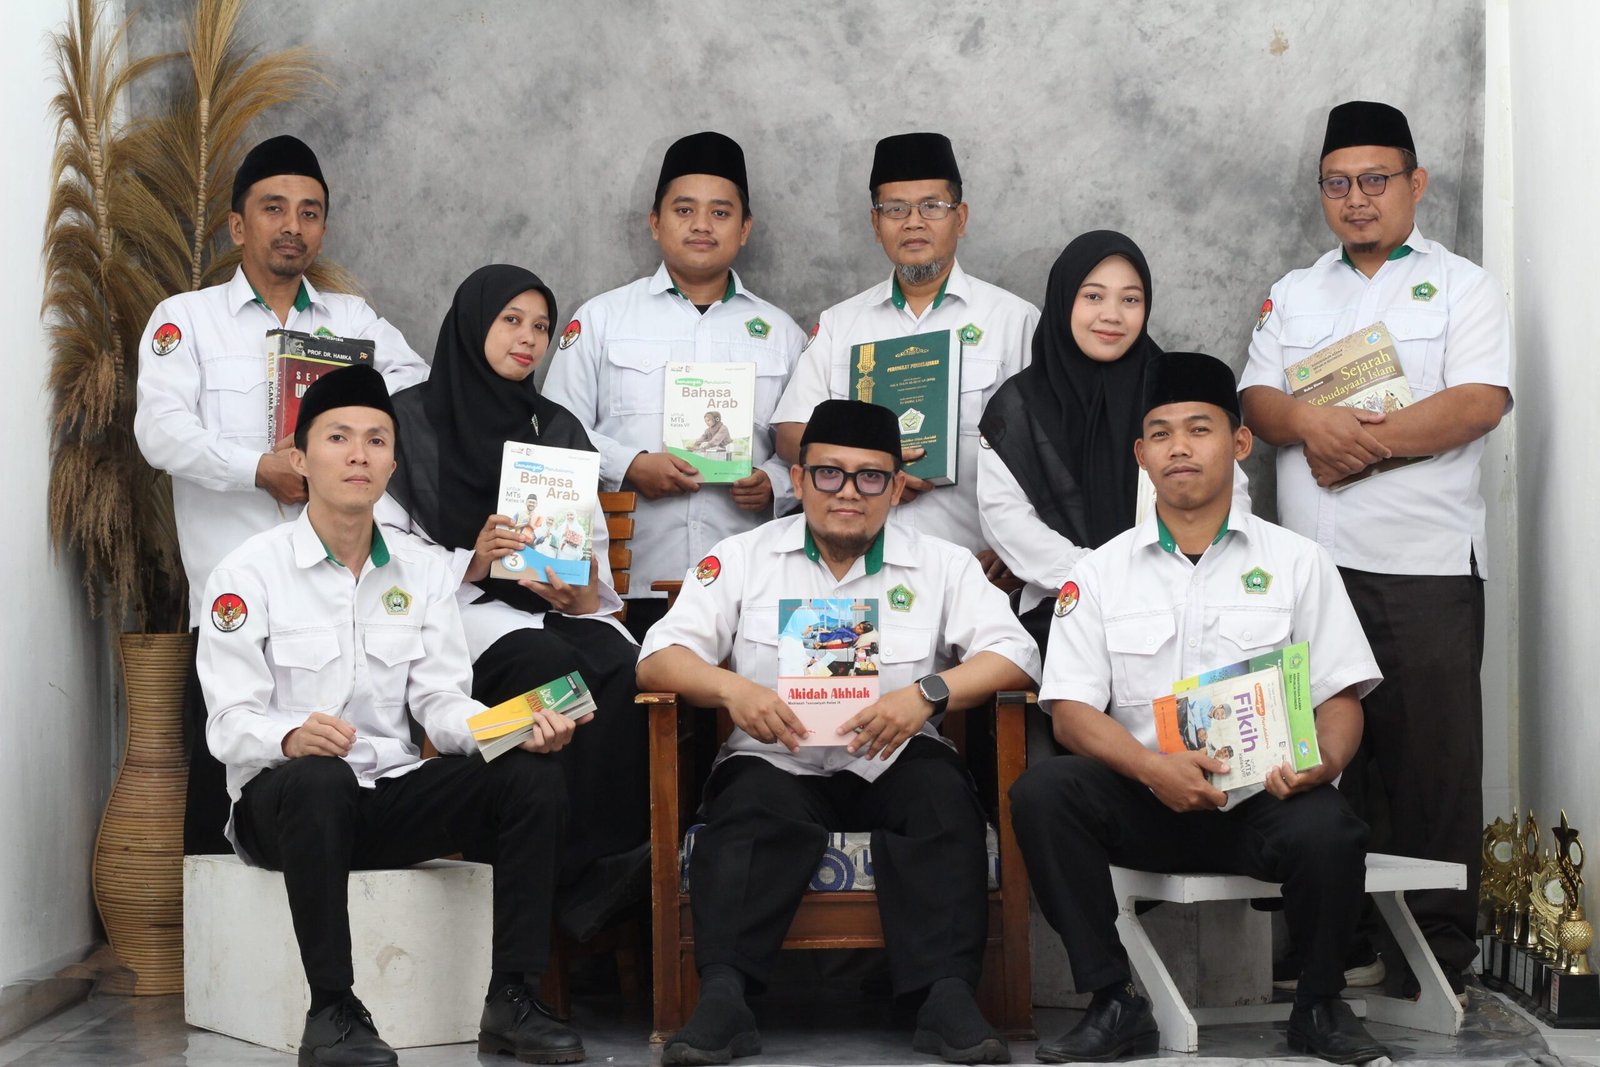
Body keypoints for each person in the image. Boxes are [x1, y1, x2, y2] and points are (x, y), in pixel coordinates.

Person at [199, 366, 585, 1067]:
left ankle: (513, 998)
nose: (359, 454)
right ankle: (332, 1011)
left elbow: (441, 704)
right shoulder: (246, 573)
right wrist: (290, 735)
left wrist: (510, 730)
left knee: (529, 776)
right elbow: (227, 722)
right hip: (285, 807)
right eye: (338, 438)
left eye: (377, 440)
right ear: (299, 458)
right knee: (320, 777)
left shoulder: (420, 572)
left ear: (393, 464)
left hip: (384, 797)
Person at [1010, 353, 1388, 1065]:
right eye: (1160, 433)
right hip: (1146, 798)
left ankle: (1319, 1005)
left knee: (1332, 826)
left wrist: (1323, 762)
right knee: (1043, 792)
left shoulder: (1298, 561)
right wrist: (1151, 768)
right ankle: (1113, 1001)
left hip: (1265, 799)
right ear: (1141, 454)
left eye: (1199, 429)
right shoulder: (1098, 573)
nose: (1178, 447)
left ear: (1239, 443)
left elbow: (1340, 697)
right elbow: (1071, 713)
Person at [637, 399, 1039, 1066]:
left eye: (870, 476)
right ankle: (725, 999)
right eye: (829, 473)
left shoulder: (943, 564)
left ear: (897, 488)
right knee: (748, 812)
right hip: (779, 760)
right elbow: (657, 657)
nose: (848, 492)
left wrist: (927, 694)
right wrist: (733, 689)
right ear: (798, 480)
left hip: (894, 757)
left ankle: (945, 997)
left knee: (941, 800)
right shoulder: (743, 556)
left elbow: (1016, 655)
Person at [1239, 100, 1512, 995]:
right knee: (1319, 759)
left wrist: (1359, 443)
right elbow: (1258, 402)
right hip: (1308, 569)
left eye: (1375, 179)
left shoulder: (1464, 286)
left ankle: (1435, 953)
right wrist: (1310, 422)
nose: (1356, 198)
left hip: (1422, 567)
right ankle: (1334, 941)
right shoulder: (1295, 290)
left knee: (1430, 765)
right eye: (1338, 183)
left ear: (1415, 183)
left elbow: (1478, 401)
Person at [135, 135, 429, 857]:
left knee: (334, 775)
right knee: (223, 793)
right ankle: (214, 937)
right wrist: (255, 468)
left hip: (339, 598)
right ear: (238, 226)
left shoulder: (352, 323)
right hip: (234, 594)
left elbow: (419, 401)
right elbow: (160, 431)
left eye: (309, 212)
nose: (292, 226)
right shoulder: (187, 319)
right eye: (274, 209)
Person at [381, 265, 648, 939]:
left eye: (541, 326)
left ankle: (601, 868)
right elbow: (382, 557)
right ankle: (545, 875)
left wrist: (580, 589)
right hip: (459, 610)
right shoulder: (406, 423)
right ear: (473, 323)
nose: (528, 338)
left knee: (627, 668)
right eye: (511, 320)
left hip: (549, 609)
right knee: (548, 664)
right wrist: (470, 559)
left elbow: (591, 559)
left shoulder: (555, 428)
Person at [543, 132, 804, 640]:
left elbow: (807, 451)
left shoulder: (782, 335)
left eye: (720, 212)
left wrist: (773, 483)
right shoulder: (602, 319)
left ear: (744, 229)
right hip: (624, 581)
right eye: (684, 210)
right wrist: (629, 465)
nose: (702, 224)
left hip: (748, 585)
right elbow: (555, 431)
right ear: (655, 223)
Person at [771, 132, 1038, 574]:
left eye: (932, 206)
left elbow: (1047, 450)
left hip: (973, 566)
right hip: (857, 569)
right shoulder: (841, 323)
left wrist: (1019, 549)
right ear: (876, 224)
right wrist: (874, 465)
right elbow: (789, 433)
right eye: (895, 209)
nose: (913, 222)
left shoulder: (1014, 320)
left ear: (960, 218)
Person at [977, 230, 1249, 652]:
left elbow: (1230, 488)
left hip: (1187, 598)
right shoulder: (1016, 408)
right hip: (1066, 605)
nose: (1112, 315)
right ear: (1064, 298)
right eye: (1093, 296)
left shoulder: (1175, 388)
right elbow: (1007, 517)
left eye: (1130, 300)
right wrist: (1101, 575)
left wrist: (1179, 572)